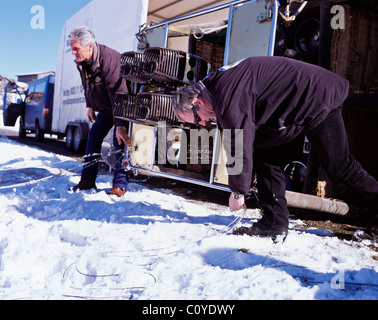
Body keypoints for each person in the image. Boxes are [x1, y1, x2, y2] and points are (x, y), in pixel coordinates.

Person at [172, 56, 378, 242]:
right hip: (297, 104)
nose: (203, 124)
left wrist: (237, 192)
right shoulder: (214, 88)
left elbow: (238, 141)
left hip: (317, 97)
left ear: (197, 102)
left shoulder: (225, 94)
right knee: (266, 154)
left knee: (341, 168)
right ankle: (274, 224)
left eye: (198, 119)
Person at [68, 26, 131, 197]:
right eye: (71, 48)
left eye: (76, 48)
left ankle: (119, 185)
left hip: (123, 107)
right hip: (106, 108)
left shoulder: (109, 58)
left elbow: (119, 94)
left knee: (119, 143)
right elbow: (86, 85)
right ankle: (87, 180)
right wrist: (90, 105)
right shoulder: (83, 61)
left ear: (89, 46)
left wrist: (120, 125)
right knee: (93, 138)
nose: (73, 52)